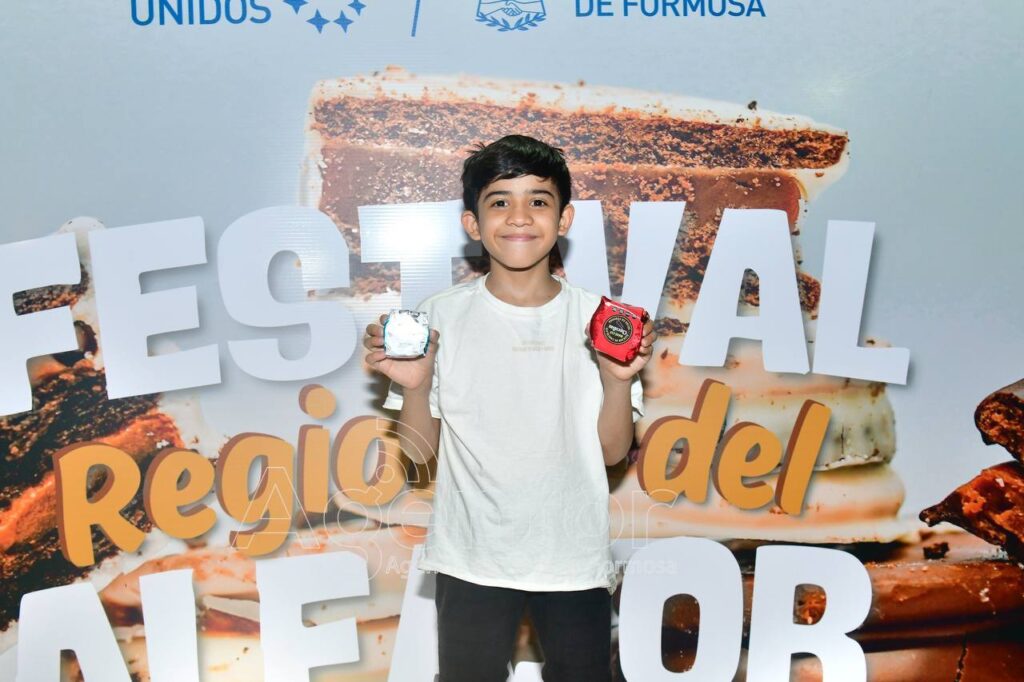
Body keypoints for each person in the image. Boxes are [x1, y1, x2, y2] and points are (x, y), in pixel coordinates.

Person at [363, 134, 654, 682]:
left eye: (538, 201)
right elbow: (419, 456)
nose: (519, 217)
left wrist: (617, 382)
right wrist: (417, 387)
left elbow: (613, 452)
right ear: (472, 224)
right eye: (499, 201)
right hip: (471, 555)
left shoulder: (602, 320)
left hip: (572, 557)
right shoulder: (438, 317)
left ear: (564, 219)